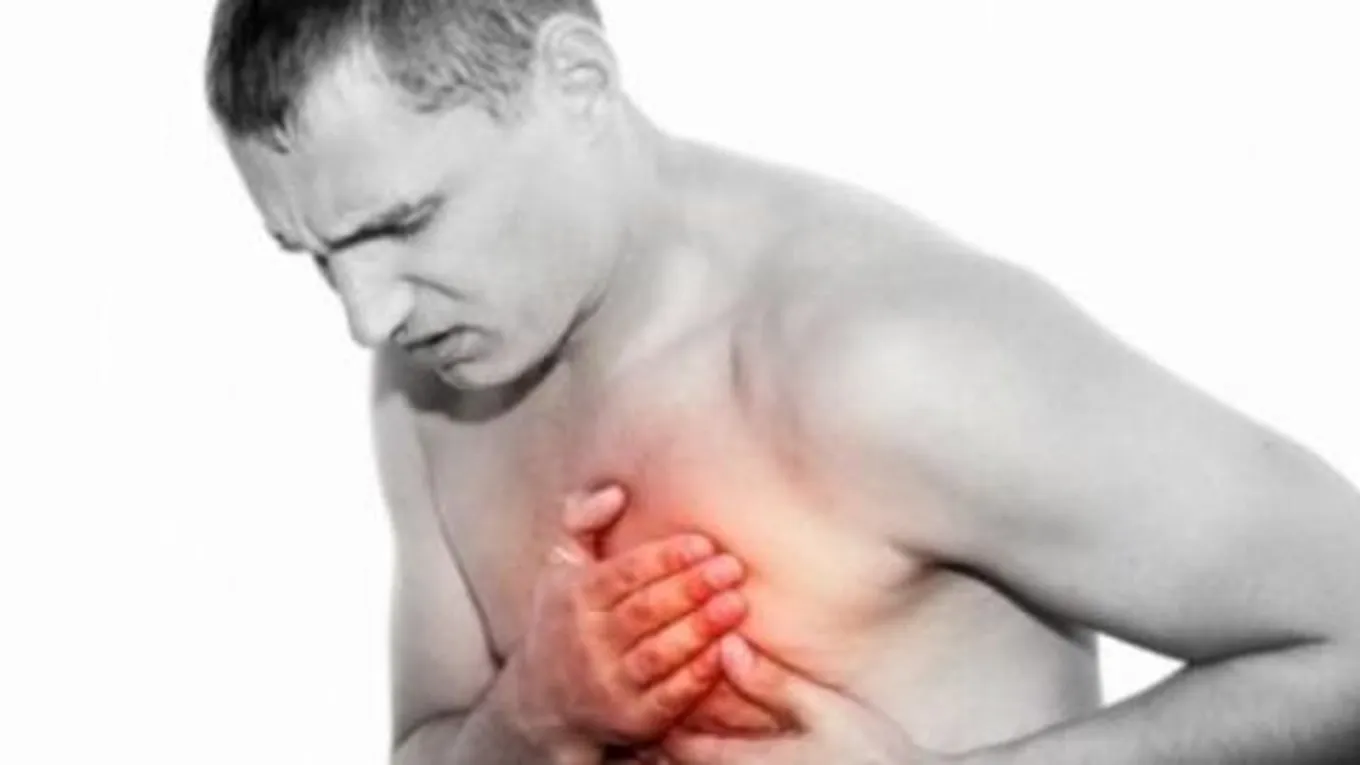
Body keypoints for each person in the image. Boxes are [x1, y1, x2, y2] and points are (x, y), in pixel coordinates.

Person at [206, 1, 1360, 763]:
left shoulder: (880, 354)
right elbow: (428, 745)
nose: (366, 316)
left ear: (575, 78)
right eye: (317, 255)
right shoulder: (429, 383)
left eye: (404, 222)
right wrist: (529, 719)